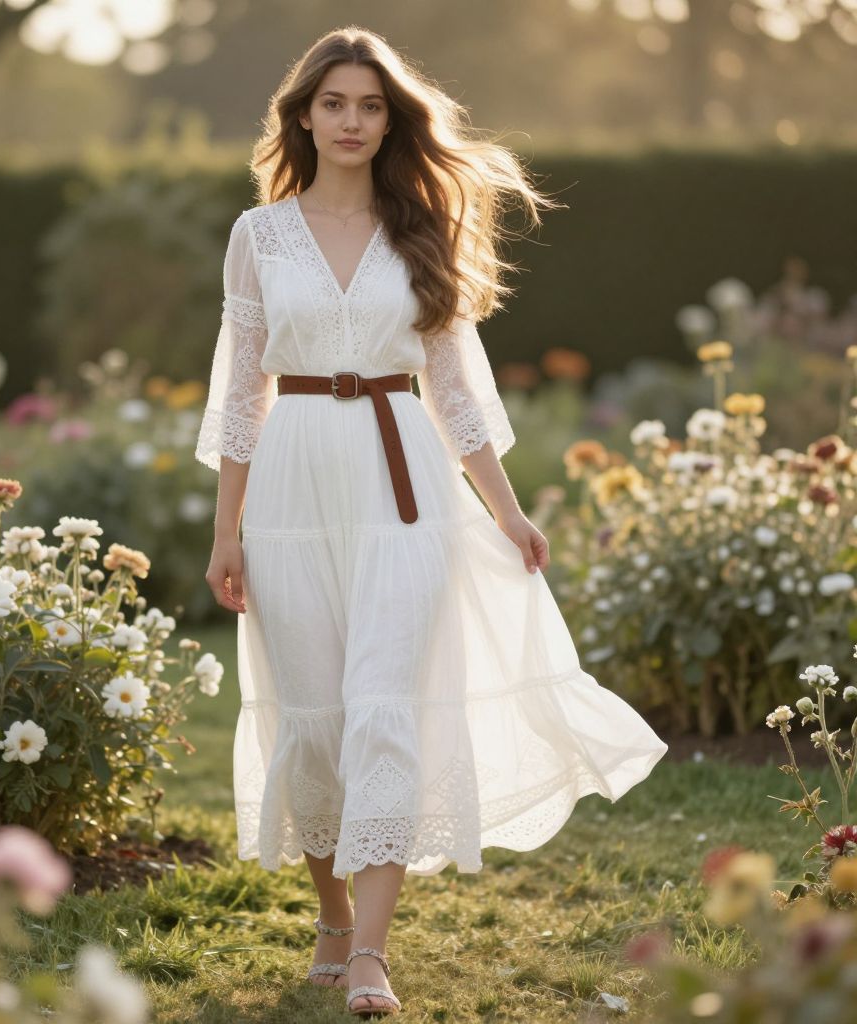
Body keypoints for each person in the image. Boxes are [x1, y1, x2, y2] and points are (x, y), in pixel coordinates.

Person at [196, 26, 669, 1019]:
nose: (353, 122)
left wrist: (507, 508)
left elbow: (453, 389)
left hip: (402, 481)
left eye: (371, 106)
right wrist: (224, 529)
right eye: (335, 104)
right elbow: (243, 394)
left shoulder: (424, 229)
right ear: (304, 116)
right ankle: (329, 919)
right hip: (289, 486)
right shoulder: (259, 236)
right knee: (313, 716)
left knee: (381, 704)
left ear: (391, 119)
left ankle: (370, 952)